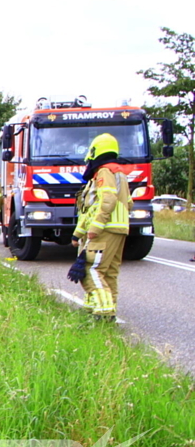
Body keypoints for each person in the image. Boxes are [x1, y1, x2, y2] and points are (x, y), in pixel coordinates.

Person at [71, 133, 133, 320]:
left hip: (105, 229)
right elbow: (128, 202)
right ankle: (106, 308)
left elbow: (106, 200)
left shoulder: (104, 172)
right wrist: (77, 234)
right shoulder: (119, 173)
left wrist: (95, 228)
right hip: (119, 228)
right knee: (109, 273)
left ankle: (103, 312)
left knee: (91, 270)